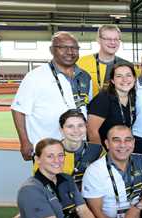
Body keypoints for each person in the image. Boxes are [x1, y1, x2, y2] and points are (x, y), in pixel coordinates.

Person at [11, 31, 92, 161]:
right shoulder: (35, 76)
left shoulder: (85, 77)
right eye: (63, 47)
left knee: (76, 181)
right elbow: (18, 110)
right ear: (52, 50)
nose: (70, 52)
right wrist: (24, 141)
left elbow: (86, 108)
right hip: (46, 148)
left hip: (77, 146)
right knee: (48, 181)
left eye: (74, 48)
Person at [87, 62, 136, 145]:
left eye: (128, 75)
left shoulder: (133, 97)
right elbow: (92, 131)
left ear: (134, 78)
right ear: (112, 80)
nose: (125, 79)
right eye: (119, 76)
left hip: (121, 147)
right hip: (104, 149)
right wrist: (101, 154)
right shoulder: (103, 99)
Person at [77, 25, 130, 97]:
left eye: (116, 39)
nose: (113, 42)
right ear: (98, 40)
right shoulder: (81, 63)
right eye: (108, 39)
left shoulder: (127, 65)